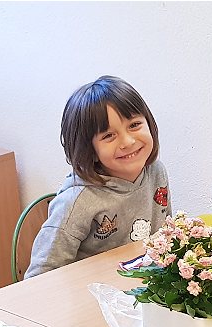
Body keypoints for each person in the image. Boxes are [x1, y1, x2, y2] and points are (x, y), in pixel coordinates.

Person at [24, 75, 170, 278]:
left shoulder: (156, 171)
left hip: (141, 286)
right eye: (109, 136)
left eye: (134, 125)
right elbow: (40, 276)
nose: (128, 141)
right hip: (89, 293)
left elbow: (164, 238)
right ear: (89, 150)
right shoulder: (77, 201)